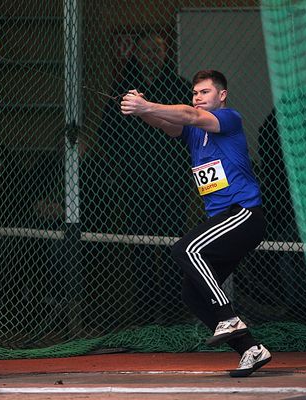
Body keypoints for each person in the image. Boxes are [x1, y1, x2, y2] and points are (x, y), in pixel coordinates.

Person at [120, 70, 272, 377]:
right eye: (195, 93)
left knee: (186, 250)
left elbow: (188, 115)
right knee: (191, 293)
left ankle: (228, 319)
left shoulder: (228, 119)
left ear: (221, 95)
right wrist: (141, 107)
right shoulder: (193, 131)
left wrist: (146, 104)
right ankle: (251, 349)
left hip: (243, 214)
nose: (198, 98)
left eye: (204, 92)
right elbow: (167, 123)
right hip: (222, 221)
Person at [81, 32, 193, 322]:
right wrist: (122, 166)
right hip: (134, 180)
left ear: (165, 52)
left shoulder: (178, 87)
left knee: (172, 239)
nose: (151, 54)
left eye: (156, 49)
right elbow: (107, 134)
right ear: (136, 54)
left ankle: (171, 306)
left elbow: (189, 130)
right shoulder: (123, 90)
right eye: (145, 50)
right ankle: (145, 306)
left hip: (171, 180)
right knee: (140, 242)